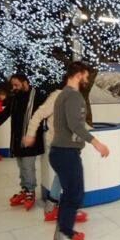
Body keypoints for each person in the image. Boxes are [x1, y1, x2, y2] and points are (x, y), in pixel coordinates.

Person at [50, 62, 109, 240]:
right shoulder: (73, 96)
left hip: (63, 152)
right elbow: (75, 124)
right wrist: (96, 142)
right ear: (78, 74)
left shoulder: (63, 94)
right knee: (74, 195)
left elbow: (72, 122)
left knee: (72, 195)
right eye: (86, 75)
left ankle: (63, 236)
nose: (87, 79)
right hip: (66, 153)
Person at [23, 82, 88, 224]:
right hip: (60, 144)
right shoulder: (57, 96)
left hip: (70, 145)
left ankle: (52, 207)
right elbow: (38, 115)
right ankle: (63, 213)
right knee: (69, 178)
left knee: (62, 175)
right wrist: (30, 134)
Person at [0, 74, 45, 211]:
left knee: (27, 166)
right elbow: (5, 114)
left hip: (31, 139)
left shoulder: (37, 96)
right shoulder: (14, 98)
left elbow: (46, 113)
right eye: (12, 85)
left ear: (25, 82)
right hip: (17, 139)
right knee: (21, 166)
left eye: (16, 85)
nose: (14, 88)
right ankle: (25, 189)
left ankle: (30, 192)